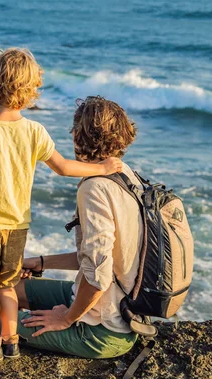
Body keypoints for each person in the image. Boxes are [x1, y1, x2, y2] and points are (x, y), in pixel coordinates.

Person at [0, 49, 123, 362]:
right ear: (31, 91)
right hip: (16, 227)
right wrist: (101, 168)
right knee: (7, 285)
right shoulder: (35, 131)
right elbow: (63, 167)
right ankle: (12, 341)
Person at [17, 96, 142, 359]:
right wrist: (39, 262)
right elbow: (102, 259)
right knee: (7, 288)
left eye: (75, 129)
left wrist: (66, 318)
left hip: (103, 330)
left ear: (79, 136)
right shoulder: (127, 176)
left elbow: (98, 276)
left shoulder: (94, 188)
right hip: (123, 310)